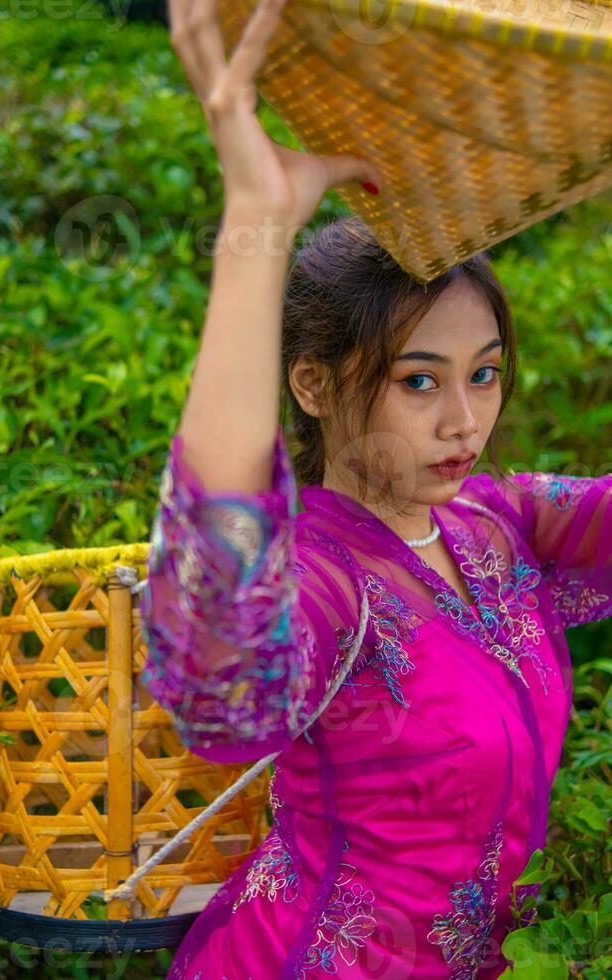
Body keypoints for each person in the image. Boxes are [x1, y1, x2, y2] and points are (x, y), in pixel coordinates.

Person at [138, 1, 612, 976]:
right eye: (418, 379)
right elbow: (223, 652)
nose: (463, 422)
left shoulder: (497, 521)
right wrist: (257, 225)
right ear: (312, 384)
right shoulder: (323, 580)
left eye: (482, 372)